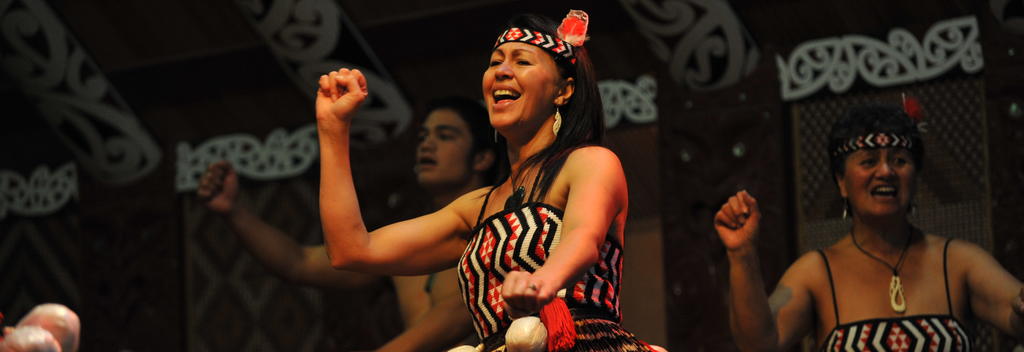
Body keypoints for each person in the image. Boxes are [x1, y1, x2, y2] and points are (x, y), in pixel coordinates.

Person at [313, 10, 654, 351]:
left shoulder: (590, 163)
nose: (502, 71)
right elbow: (351, 251)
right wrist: (332, 130)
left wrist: (540, 283)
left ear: (563, 91)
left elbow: (584, 237)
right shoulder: (475, 209)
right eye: (495, 62)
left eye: (522, 62)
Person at [196, 96, 498, 352]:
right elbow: (298, 263)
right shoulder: (408, 238)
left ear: (482, 158)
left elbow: (458, 313)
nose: (427, 145)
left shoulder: (497, 224)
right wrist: (235, 212)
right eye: (423, 137)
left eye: (445, 136)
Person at [715, 104, 1024, 351]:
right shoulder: (817, 272)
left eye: (900, 160)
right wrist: (742, 253)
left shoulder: (958, 262)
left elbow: (1016, 311)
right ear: (841, 182)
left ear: (915, 178)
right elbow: (758, 344)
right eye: (868, 161)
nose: (886, 171)